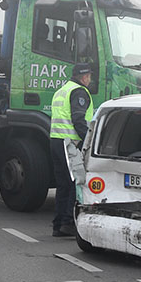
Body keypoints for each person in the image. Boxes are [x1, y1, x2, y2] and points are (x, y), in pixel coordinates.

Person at [49, 63, 94, 237]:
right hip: (70, 143)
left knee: (63, 184)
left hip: (56, 141)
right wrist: (88, 140)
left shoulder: (62, 90)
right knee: (75, 183)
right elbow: (78, 119)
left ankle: (58, 224)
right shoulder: (79, 92)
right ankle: (67, 223)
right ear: (84, 77)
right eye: (89, 76)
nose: (90, 79)